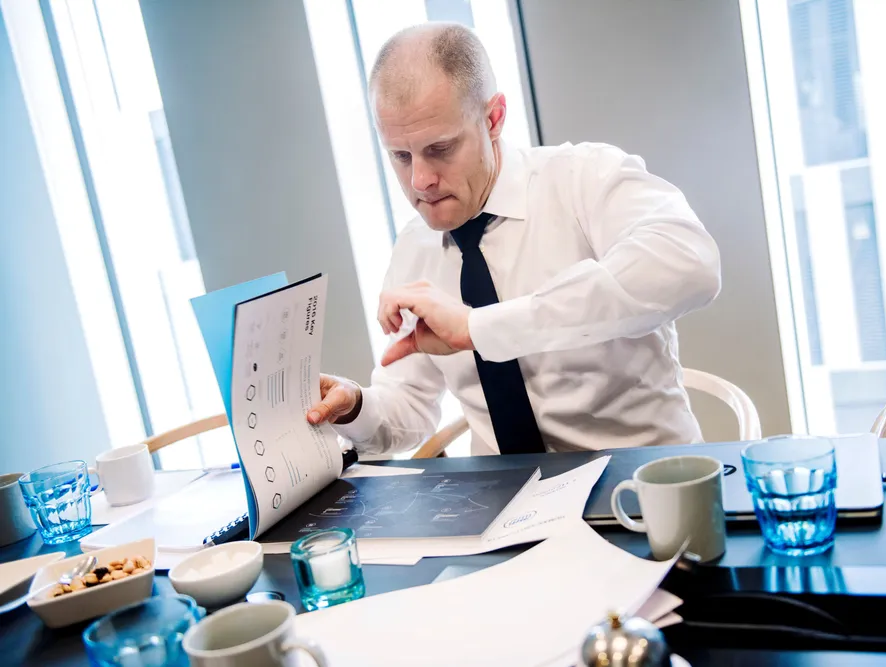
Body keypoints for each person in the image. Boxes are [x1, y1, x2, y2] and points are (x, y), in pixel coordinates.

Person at [306, 22, 721, 456]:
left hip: (641, 480)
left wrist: (480, 328)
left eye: (440, 149)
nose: (420, 180)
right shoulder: (414, 248)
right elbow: (408, 406)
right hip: (506, 495)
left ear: (493, 118)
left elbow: (690, 264)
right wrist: (356, 406)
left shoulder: (584, 178)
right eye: (400, 156)